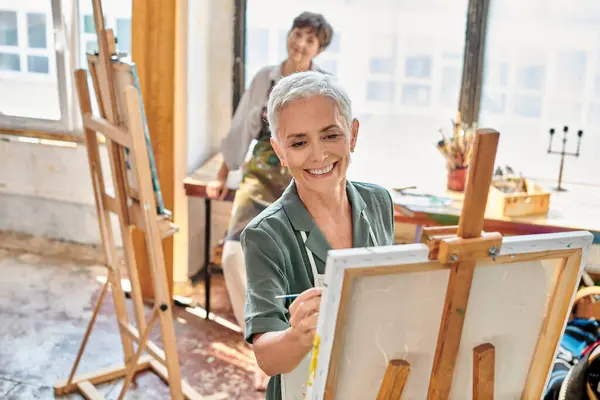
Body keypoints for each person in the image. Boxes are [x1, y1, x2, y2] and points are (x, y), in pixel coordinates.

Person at [241, 71, 396, 400]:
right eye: (298, 143)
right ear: (280, 151)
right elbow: (267, 358)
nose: (318, 155)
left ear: (352, 134)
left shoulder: (379, 202)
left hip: (374, 383)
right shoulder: (265, 236)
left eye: (330, 136)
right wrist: (297, 337)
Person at [205, 11, 334, 390]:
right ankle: (263, 344)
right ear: (289, 35)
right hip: (261, 173)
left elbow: (331, 139)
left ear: (318, 49)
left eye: (310, 41)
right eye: (298, 35)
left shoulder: (324, 85)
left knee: (302, 261)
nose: (300, 44)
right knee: (233, 255)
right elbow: (241, 125)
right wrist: (223, 173)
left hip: (305, 176)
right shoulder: (265, 77)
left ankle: (296, 345)